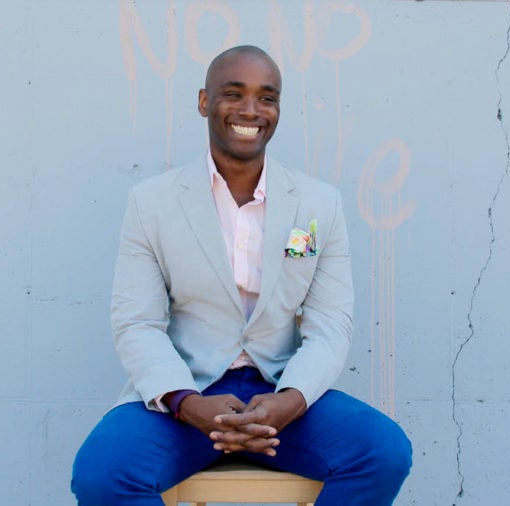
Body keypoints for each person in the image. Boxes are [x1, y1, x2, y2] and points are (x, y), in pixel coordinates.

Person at [71, 45, 412, 505]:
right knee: (102, 475)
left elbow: (331, 325)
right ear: (203, 102)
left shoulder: (318, 204)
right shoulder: (151, 203)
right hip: (187, 394)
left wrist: (288, 402)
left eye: (266, 98)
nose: (251, 110)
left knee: (383, 453)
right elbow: (137, 323)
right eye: (233, 93)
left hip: (280, 390)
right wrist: (188, 405)